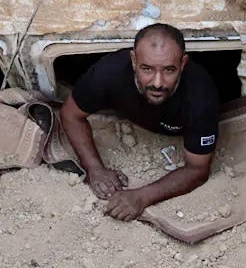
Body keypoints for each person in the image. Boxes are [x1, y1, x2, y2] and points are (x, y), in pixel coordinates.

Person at [59, 23, 220, 221]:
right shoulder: (109, 73)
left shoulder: (201, 96)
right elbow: (70, 114)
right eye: (147, 69)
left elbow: (198, 169)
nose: (157, 82)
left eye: (169, 70)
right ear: (134, 61)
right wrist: (95, 169)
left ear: (183, 64)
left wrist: (141, 197)